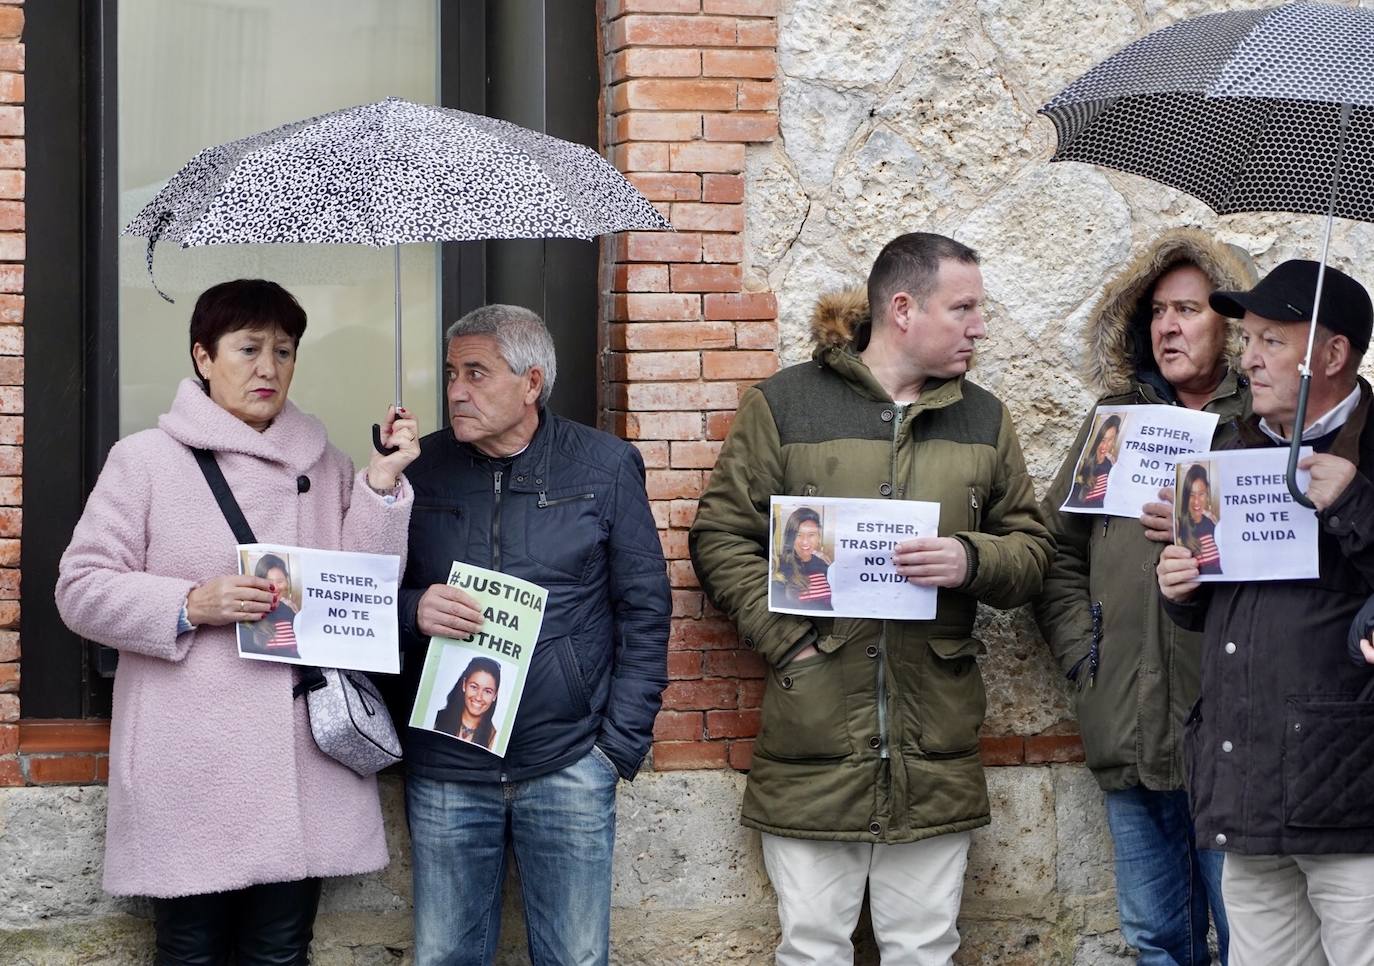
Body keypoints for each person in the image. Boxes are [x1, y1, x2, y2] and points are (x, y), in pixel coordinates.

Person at [690, 232, 1053, 965]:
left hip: (934, 742)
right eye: (964, 308)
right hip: (814, 733)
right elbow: (719, 537)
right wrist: (788, 641)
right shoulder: (785, 405)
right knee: (813, 947)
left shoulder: (984, 420)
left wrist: (969, 558)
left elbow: (1035, 553)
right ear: (903, 309)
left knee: (923, 948)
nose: (980, 326)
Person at [55, 278, 420, 962]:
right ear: (203, 357)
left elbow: (361, 597)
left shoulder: (329, 463)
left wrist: (380, 483)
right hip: (191, 756)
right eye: (248, 348)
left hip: (299, 755)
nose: (268, 368)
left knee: (281, 949)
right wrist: (190, 604)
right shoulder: (146, 463)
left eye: (284, 351)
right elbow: (79, 589)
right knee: (190, 948)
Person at [398, 304, 670, 966]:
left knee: (575, 959)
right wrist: (413, 610)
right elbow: (363, 593)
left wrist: (615, 748)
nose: (456, 390)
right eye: (451, 372)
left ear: (531, 382)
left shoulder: (603, 466)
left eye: (477, 373)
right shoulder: (419, 469)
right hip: (447, 766)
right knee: (444, 958)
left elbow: (644, 606)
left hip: (569, 760)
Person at [1036, 230, 1251, 965]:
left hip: (1229, 730)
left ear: (1230, 324)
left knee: (1249, 938)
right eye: (1158, 311)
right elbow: (1056, 549)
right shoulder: (1113, 422)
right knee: (1157, 939)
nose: (1168, 326)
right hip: (1124, 718)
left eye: (1188, 309)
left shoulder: (1261, 427)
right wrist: (1082, 653)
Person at [1157, 259, 1374, 965]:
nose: (1246, 358)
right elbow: (1230, 615)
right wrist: (1183, 587)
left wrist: (1353, 501)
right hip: (1246, 786)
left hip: (1353, 801)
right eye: (1247, 338)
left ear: (1333, 354)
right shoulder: (1232, 448)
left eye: (1271, 341)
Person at [772, 506, 833, 610]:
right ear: (791, 538)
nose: (805, 541)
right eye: (798, 535)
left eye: (811, 535)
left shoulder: (825, 564)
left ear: (819, 536)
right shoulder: (780, 568)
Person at [242, 553, 301, 658]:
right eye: (268, 582)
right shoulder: (248, 613)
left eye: (280, 581)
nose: (275, 588)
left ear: (287, 581)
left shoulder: (290, 610)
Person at [435, 657, 501, 751]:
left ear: (495, 695)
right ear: (464, 685)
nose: (478, 697)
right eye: (474, 687)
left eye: (487, 691)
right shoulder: (436, 720)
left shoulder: (495, 739)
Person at [1177, 463, 1223, 576]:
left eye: (1201, 494)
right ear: (1186, 497)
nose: (1196, 501)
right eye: (1191, 495)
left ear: (1207, 494)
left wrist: (1218, 527)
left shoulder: (1212, 522)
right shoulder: (1179, 526)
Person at [1070, 413, 1121, 508]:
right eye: (1102, 440)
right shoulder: (1083, 464)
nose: (1105, 446)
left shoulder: (1111, 465)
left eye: (1110, 440)